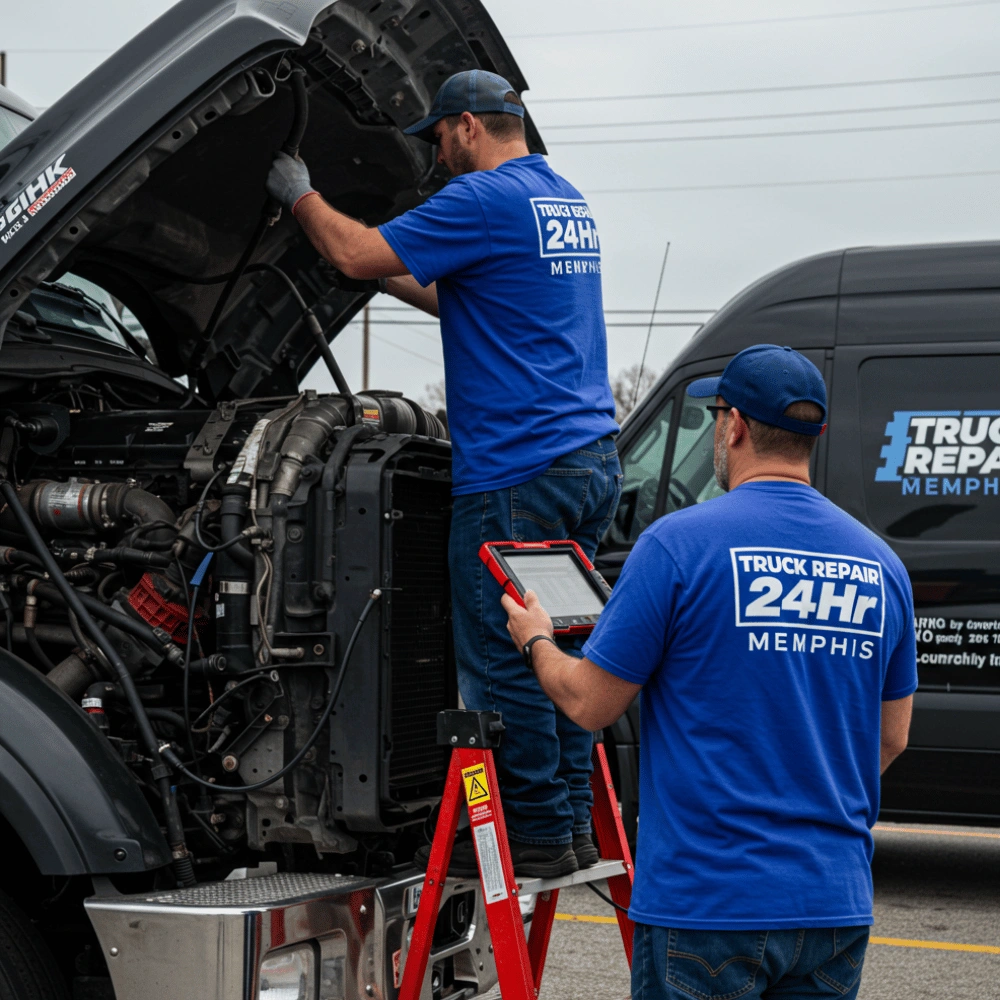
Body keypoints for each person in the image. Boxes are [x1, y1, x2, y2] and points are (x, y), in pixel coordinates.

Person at [265, 69, 620, 877]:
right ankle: (567, 824)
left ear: (466, 126)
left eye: (437, 137)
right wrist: (368, 265)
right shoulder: (560, 200)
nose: (435, 154)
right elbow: (466, 294)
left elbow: (354, 251)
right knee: (565, 637)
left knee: (503, 652)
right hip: (586, 461)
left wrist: (300, 197)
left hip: (518, 469)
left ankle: (533, 832)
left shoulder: (482, 198)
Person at [502, 344, 916, 999]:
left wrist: (536, 641)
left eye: (717, 418)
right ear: (812, 436)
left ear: (736, 426)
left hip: (709, 906)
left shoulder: (678, 545)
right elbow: (890, 738)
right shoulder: (881, 566)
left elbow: (589, 704)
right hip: (833, 905)